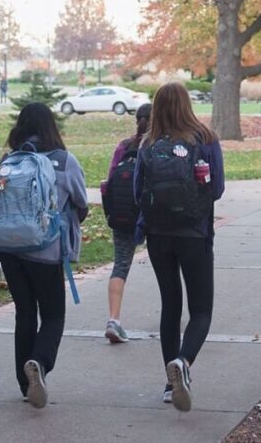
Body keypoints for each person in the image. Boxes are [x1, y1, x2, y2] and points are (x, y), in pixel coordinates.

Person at [134, 82, 225, 412]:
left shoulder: (148, 143)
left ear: (157, 107)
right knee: (201, 310)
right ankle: (183, 362)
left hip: (158, 236)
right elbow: (217, 189)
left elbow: (137, 193)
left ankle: (170, 384)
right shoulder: (206, 139)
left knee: (170, 306)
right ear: (187, 104)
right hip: (195, 233)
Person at [0, 102, 88, 409]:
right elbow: (81, 203)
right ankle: (39, 362)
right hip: (46, 251)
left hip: (9, 249)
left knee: (24, 313)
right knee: (53, 315)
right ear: (51, 126)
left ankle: (25, 386)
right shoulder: (64, 161)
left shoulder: (9, 161)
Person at [102, 103, 152, 344]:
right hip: (154, 215)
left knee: (120, 265)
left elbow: (109, 182)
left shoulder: (124, 146)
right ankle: (173, 316)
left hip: (124, 215)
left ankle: (114, 319)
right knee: (169, 267)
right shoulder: (159, 147)